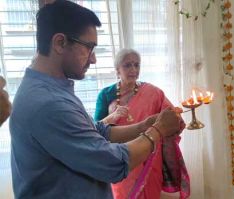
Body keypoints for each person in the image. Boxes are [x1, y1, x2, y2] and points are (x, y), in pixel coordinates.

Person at [9, 1, 182, 199]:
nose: (93, 59)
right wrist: (158, 130)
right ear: (60, 43)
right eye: (89, 47)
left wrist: (143, 125)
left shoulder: (54, 89)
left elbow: (97, 131)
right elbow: (113, 164)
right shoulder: (47, 103)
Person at [94, 49, 190, 199]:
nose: (133, 70)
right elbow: (95, 131)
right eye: (127, 65)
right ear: (117, 69)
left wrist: (179, 118)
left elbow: (172, 118)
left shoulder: (154, 93)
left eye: (136, 65)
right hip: (123, 158)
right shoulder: (106, 94)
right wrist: (112, 116)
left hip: (150, 157)